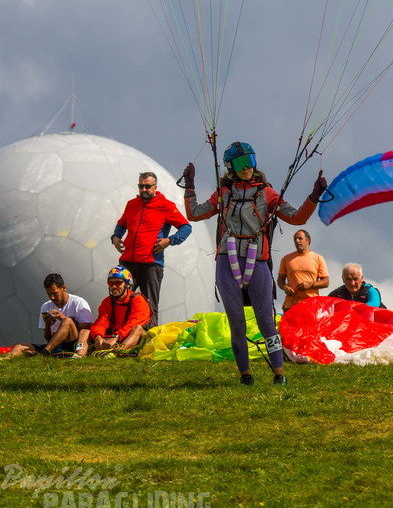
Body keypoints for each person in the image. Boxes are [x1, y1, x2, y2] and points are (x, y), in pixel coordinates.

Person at [182, 141, 326, 386]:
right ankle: (245, 375)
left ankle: (279, 373)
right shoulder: (224, 193)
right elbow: (194, 213)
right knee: (236, 322)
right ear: (230, 167)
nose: (247, 167)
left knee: (266, 322)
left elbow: (297, 217)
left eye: (250, 161)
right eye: (240, 163)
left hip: (257, 262)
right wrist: (190, 185)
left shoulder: (267, 194)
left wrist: (314, 196)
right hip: (227, 262)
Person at [111, 171, 192, 328]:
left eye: (147, 186)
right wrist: (115, 237)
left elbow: (186, 227)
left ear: (155, 187)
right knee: (120, 301)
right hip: (127, 262)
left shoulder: (166, 206)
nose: (144, 190)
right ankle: (117, 340)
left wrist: (170, 241)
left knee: (149, 306)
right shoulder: (132, 204)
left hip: (152, 263)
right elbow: (122, 223)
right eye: (141, 186)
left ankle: (149, 344)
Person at [5, 273, 93, 358]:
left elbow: (87, 328)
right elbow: (48, 338)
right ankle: (5, 360)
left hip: (72, 343)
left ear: (63, 288)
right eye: (49, 294)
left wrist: (63, 318)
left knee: (67, 321)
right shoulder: (45, 306)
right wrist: (48, 325)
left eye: (54, 293)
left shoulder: (78, 302)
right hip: (54, 345)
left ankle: (45, 353)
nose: (52, 297)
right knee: (19, 346)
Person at [88, 266, 152, 356]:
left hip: (134, 337)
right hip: (115, 337)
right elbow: (101, 322)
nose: (114, 286)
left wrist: (116, 336)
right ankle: (79, 354)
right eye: (111, 283)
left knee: (137, 329)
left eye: (118, 283)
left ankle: (115, 353)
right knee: (85, 331)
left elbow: (134, 323)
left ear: (127, 284)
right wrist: (97, 336)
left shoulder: (138, 300)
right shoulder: (107, 302)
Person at [277, 229, 329, 312]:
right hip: (290, 305)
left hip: (311, 305)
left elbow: (326, 282)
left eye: (300, 238)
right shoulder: (286, 259)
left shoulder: (318, 258)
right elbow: (280, 279)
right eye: (295, 239)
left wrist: (310, 285)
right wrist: (285, 287)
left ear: (307, 240)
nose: (297, 241)